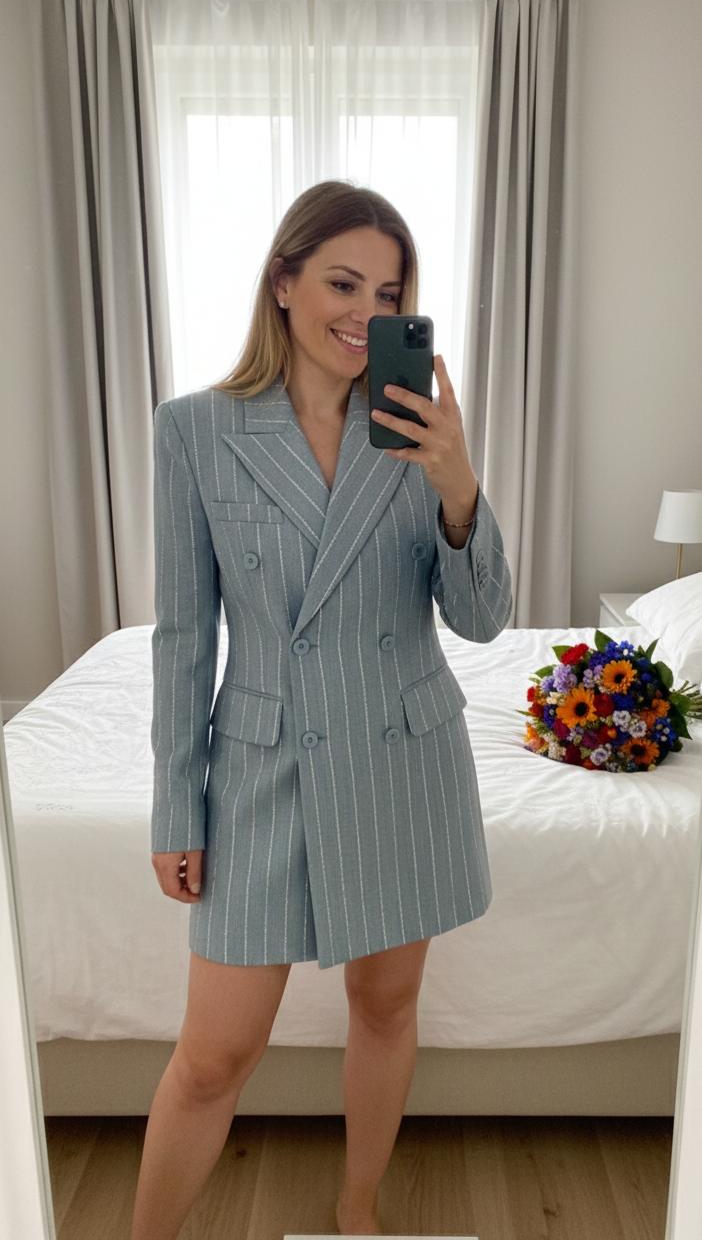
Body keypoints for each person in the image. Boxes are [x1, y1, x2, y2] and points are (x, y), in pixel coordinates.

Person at [130, 179, 512, 1240]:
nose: (366, 312)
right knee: (214, 1058)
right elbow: (181, 637)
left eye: (390, 293)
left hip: (403, 760)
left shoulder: (418, 429)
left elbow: (482, 622)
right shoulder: (196, 430)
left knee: (385, 1008)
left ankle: (358, 1212)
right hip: (261, 769)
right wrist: (176, 807)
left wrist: (458, 483)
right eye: (344, 282)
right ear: (284, 282)